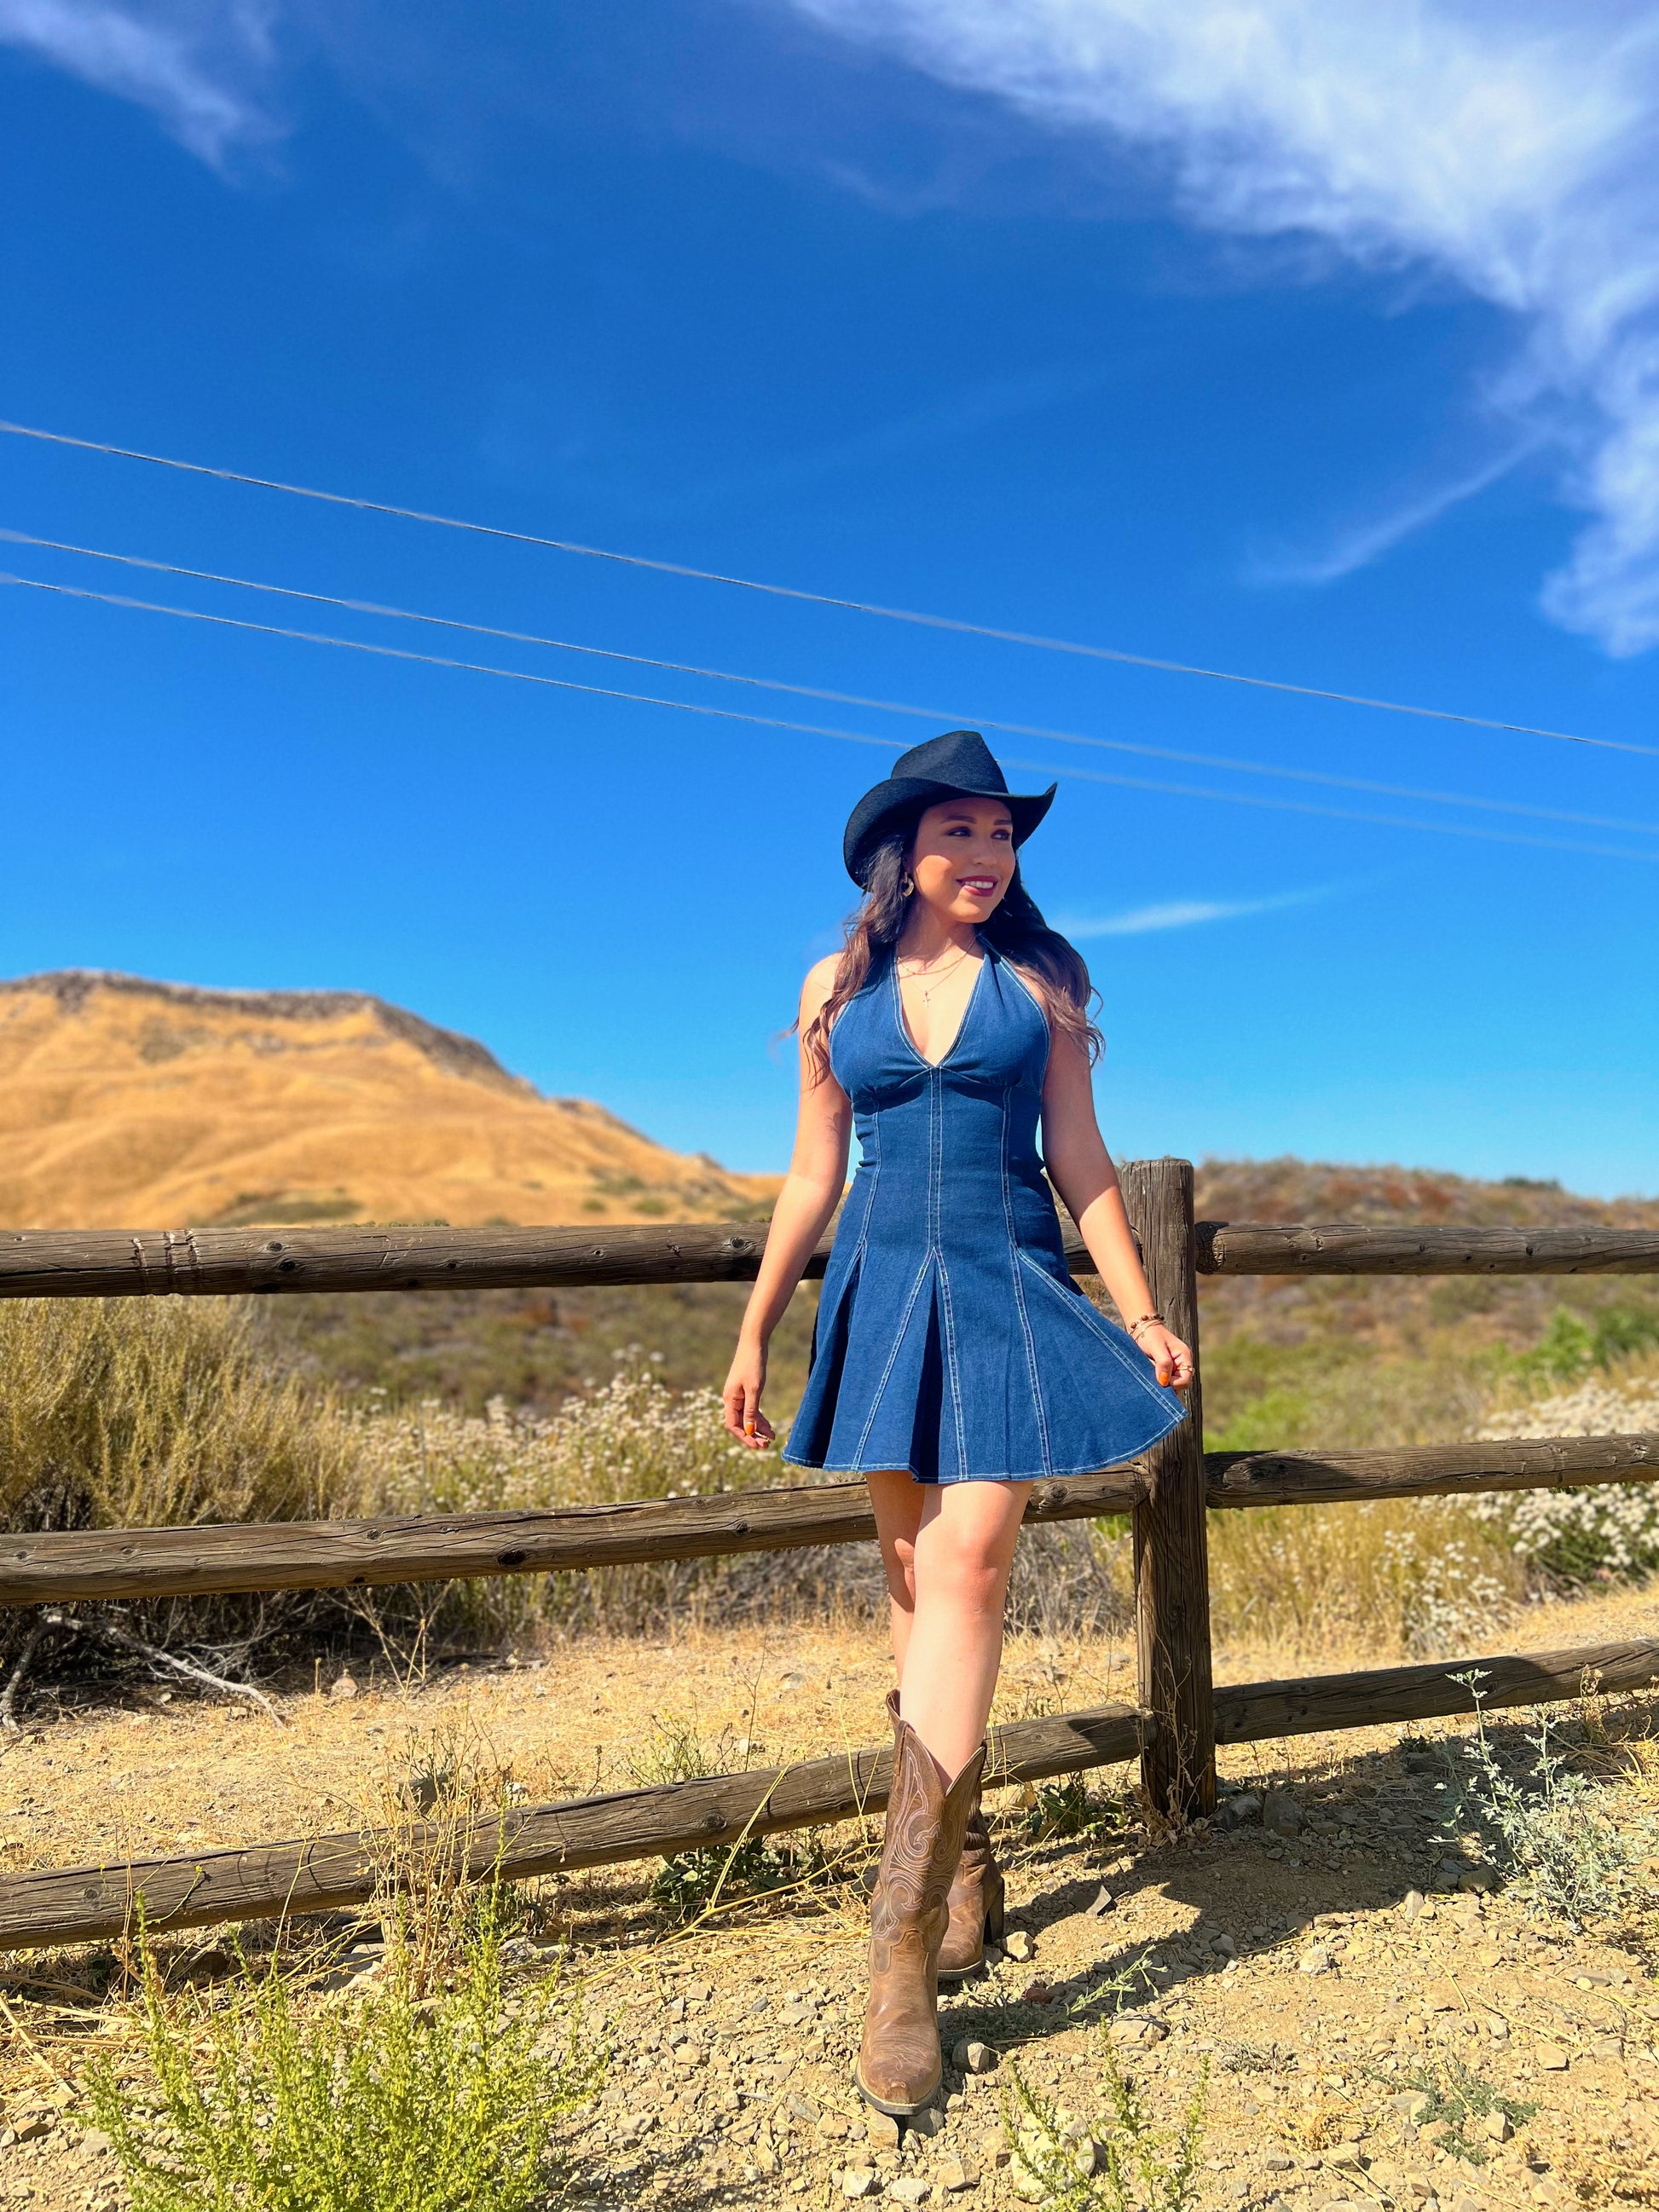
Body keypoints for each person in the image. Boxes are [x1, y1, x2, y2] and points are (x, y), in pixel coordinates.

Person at [721, 730, 1194, 2118]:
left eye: (1003, 838)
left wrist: (1144, 1309)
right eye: (962, 837)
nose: (987, 859)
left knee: (971, 1566)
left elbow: (1082, 1162)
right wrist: (754, 1328)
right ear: (901, 853)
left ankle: (896, 1956)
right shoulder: (837, 983)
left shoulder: (1038, 985)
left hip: (1003, 1282)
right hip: (876, 1288)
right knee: (909, 1583)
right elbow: (812, 1172)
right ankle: (962, 1860)